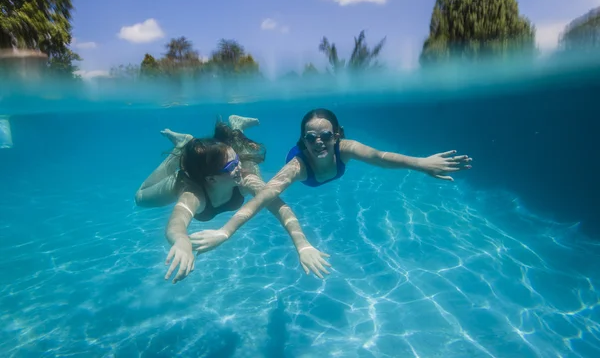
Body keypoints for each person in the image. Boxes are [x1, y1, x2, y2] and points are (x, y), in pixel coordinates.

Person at [190, 108, 473, 255]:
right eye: (311, 138)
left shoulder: (345, 148)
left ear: (338, 135)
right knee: (248, 157)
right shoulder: (298, 165)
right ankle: (235, 126)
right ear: (303, 141)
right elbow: (263, 197)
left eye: (326, 135)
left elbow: (381, 157)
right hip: (302, 169)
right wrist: (225, 231)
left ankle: (237, 124)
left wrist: (422, 164)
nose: (319, 143)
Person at [135, 115, 331, 284]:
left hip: (221, 171)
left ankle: (235, 126)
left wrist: (303, 245)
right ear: (211, 179)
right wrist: (181, 241)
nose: (239, 168)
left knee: (247, 163)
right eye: (231, 167)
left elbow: (279, 206)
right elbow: (176, 223)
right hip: (188, 176)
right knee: (140, 198)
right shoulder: (192, 194)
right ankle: (182, 148)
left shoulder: (244, 177)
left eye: (237, 161)